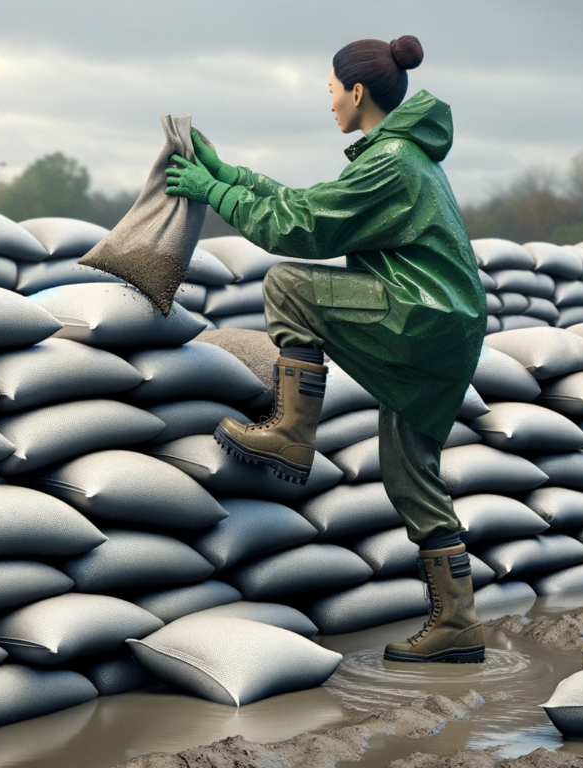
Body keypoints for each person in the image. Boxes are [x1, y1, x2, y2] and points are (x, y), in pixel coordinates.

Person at [165, 35, 487, 663]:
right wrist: (229, 175)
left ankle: (291, 428)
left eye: (332, 90)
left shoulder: (392, 160)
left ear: (357, 91)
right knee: (409, 470)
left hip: (419, 315)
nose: (330, 102)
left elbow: (303, 227)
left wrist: (211, 193)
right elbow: (311, 204)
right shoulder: (403, 156)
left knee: (288, 284)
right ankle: (459, 623)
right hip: (445, 328)